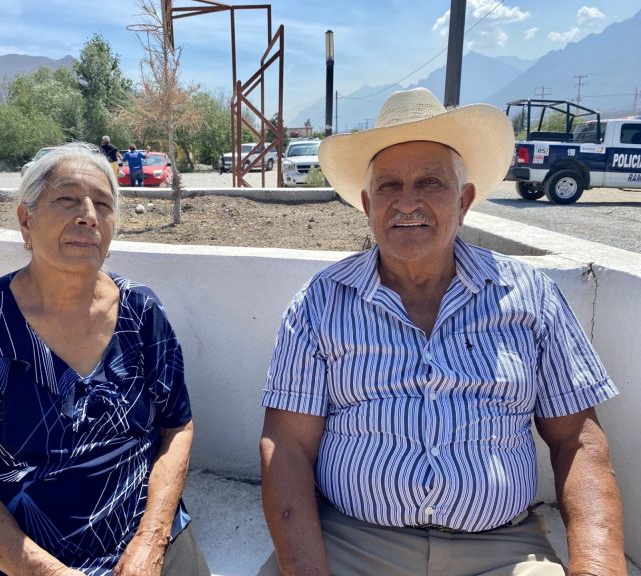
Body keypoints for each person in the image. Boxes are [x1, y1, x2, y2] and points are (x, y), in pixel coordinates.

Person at [258, 88, 626, 576]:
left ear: (465, 199)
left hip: (503, 549)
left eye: (429, 183)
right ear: (368, 204)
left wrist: (597, 567)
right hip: (351, 540)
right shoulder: (319, 302)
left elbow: (577, 439)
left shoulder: (530, 297)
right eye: (389, 187)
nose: (406, 203)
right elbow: (286, 444)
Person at [0, 143, 210, 576]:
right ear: (26, 220)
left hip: (143, 545)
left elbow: (177, 427)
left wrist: (151, 540)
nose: (88, 215)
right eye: (67, 200)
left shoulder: (141, 310)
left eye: (102, 204)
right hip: (21, 559)